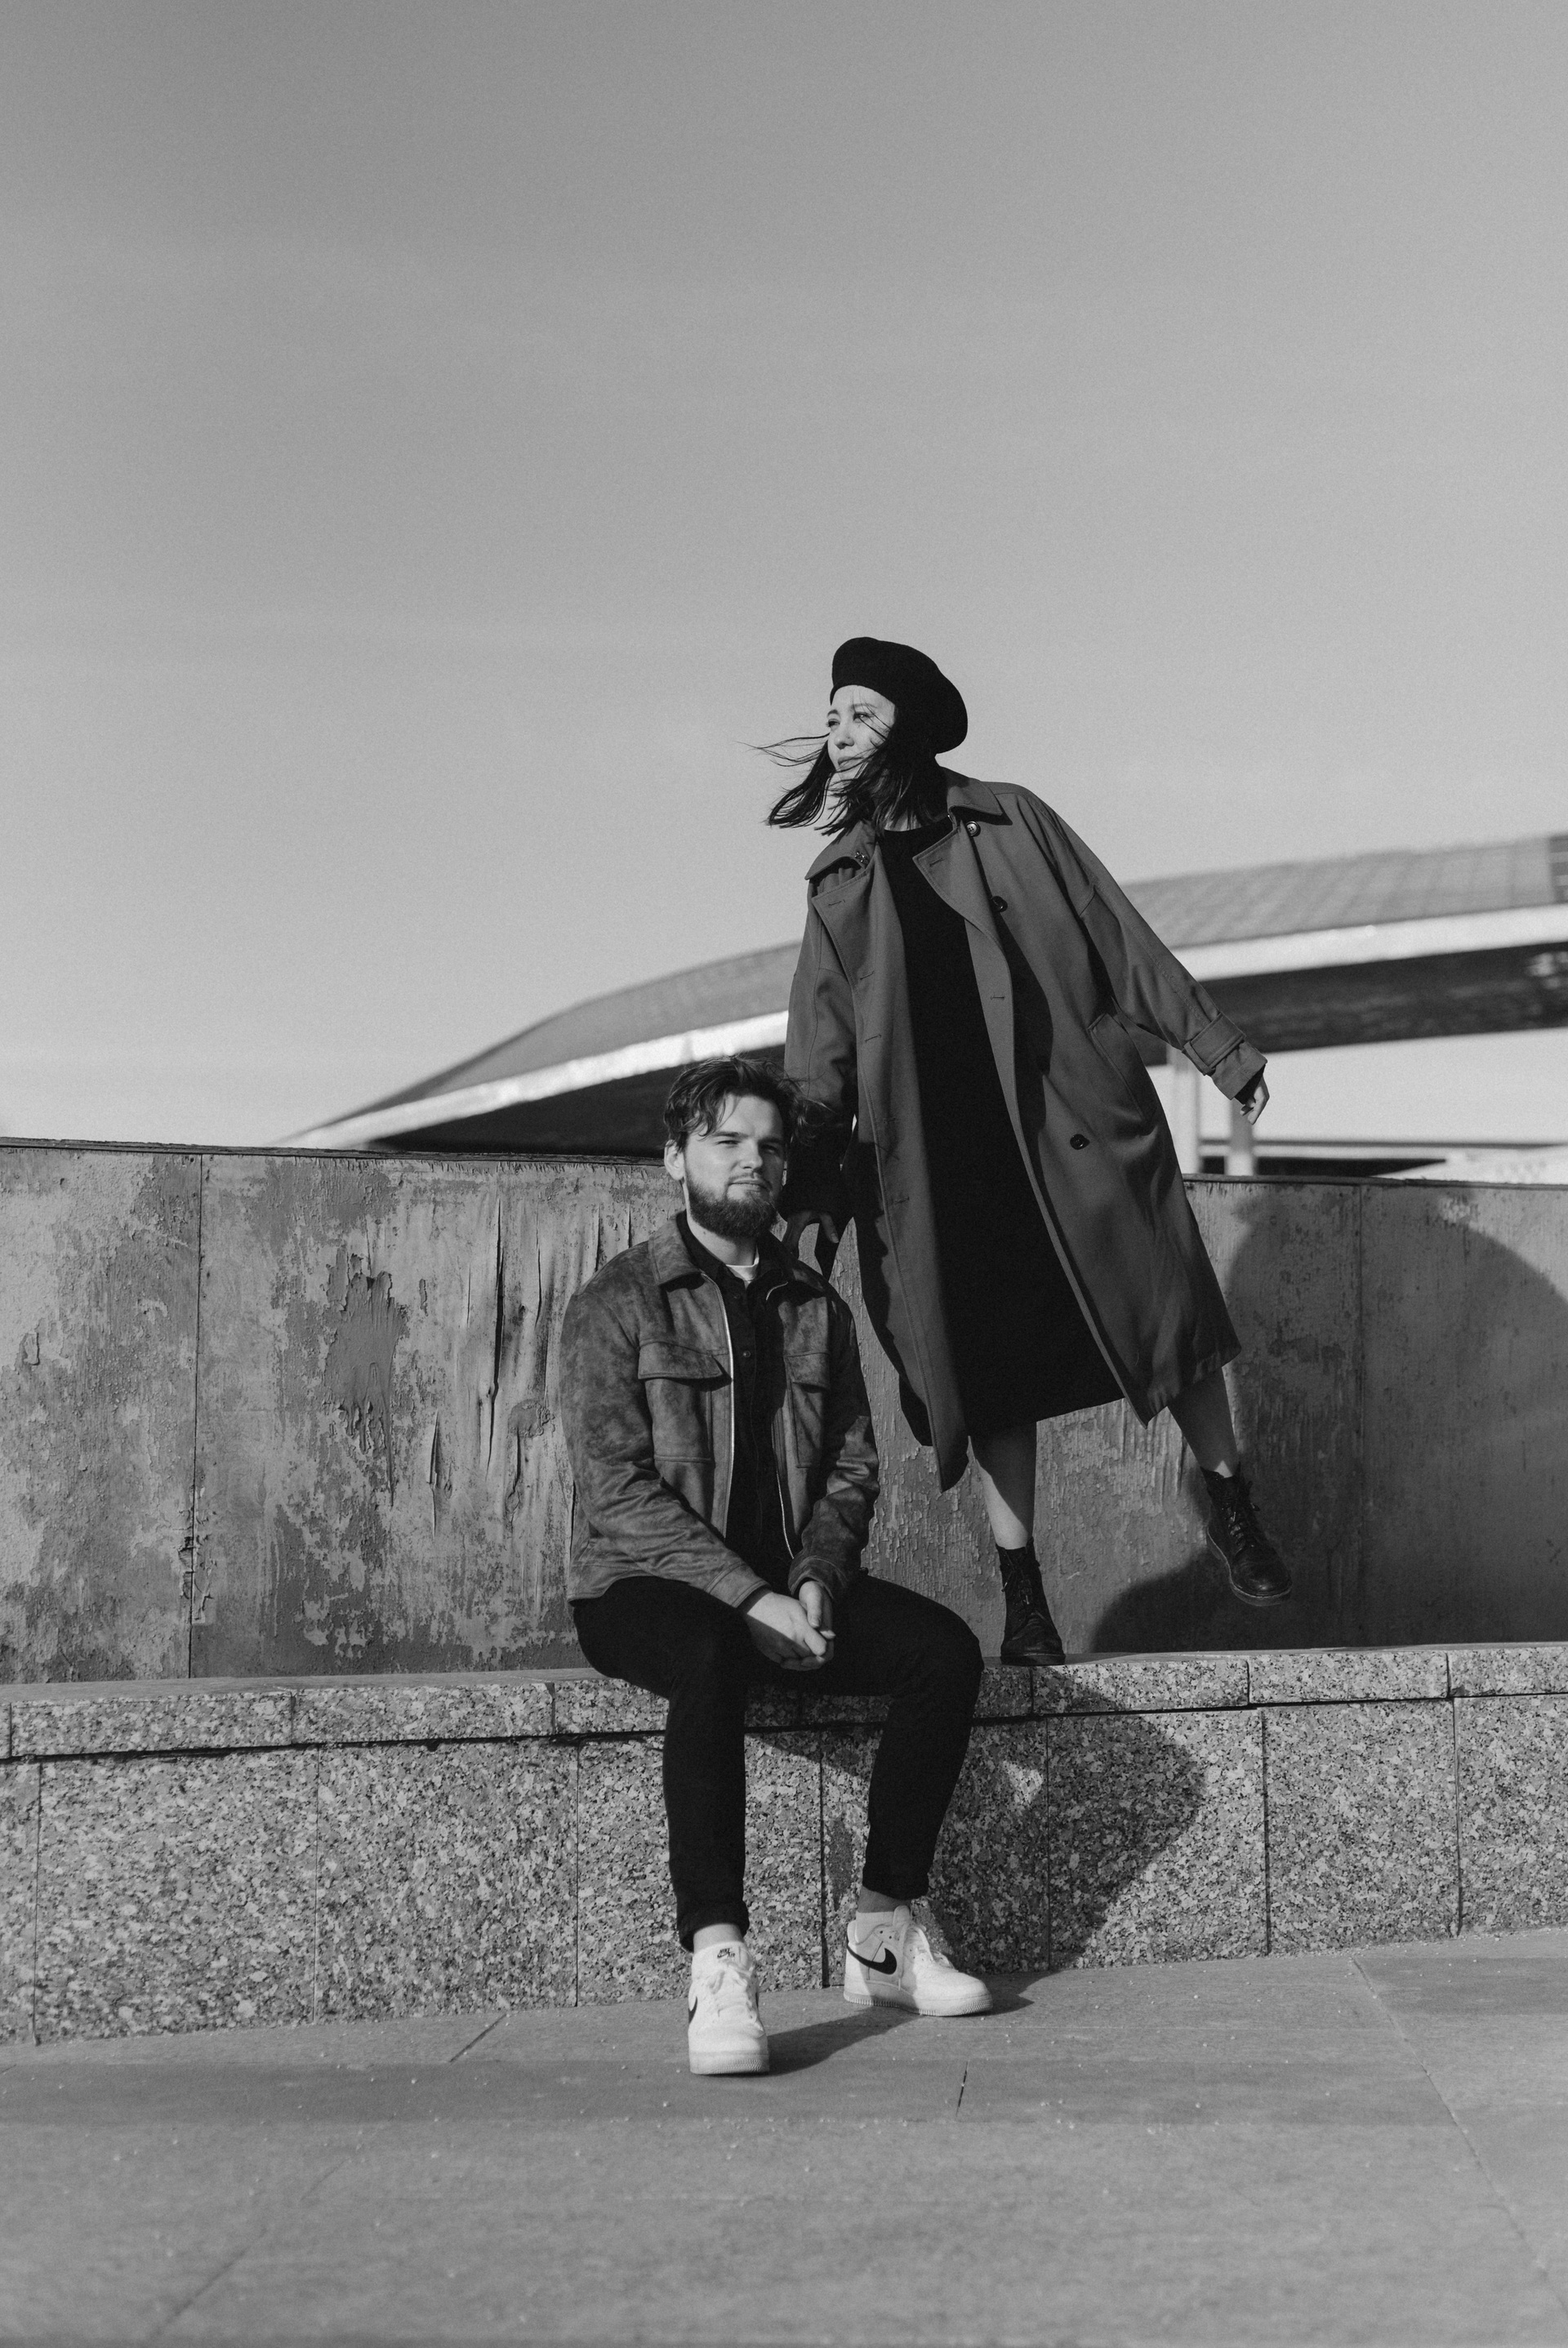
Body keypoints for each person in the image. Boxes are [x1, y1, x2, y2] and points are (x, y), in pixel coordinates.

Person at [772, 636, 1293, 1667]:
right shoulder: (839, 882)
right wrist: (812, 1186)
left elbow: (1117, 936)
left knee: (1168, 1312)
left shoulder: (1012, 819)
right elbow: (818, 1050)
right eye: (832, 717)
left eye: (863, 714)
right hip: (939, 1163)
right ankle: (1025, 1597)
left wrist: (1216, 1046)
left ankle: (1231, 1501)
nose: (840, 734)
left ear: (912, 729)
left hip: (1065, 1124)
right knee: (990, 1374)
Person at [560, 1054, 992, 2079]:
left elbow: (849, 1467)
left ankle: (884, 1928)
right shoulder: (618, 1300)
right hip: (639, 1587)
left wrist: (813, 1580)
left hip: (787, 1589)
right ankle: (718, 1959)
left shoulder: (814, 1306)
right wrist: (748, 1594)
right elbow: (617, 1491)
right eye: (726, 1142)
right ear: (676, 1159)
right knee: (711, 1653)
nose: (751, 1160)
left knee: (943, 1653)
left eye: (768, 1145)